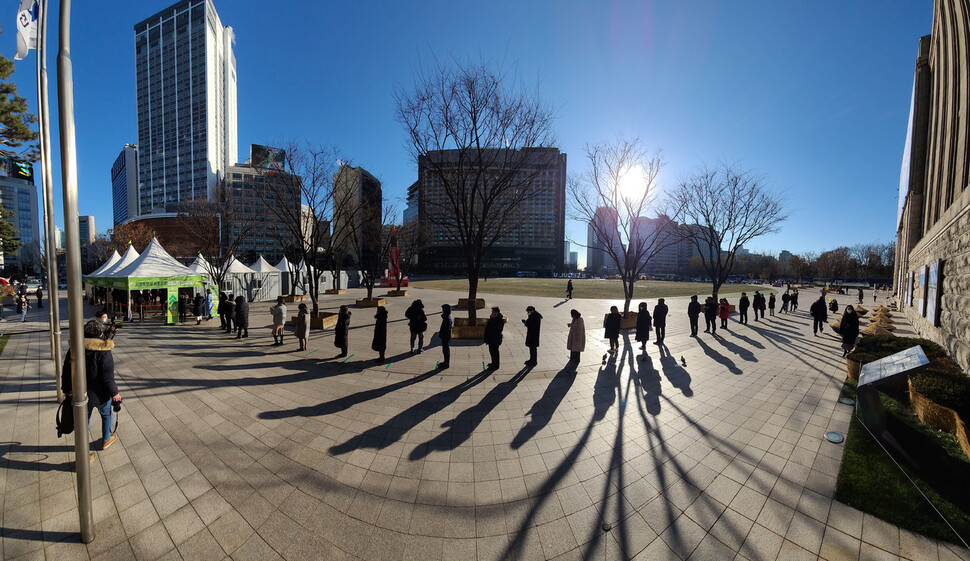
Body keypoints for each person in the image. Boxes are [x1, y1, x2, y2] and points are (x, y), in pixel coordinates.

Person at [61, 318, 121, 463]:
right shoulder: (104, 350)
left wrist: (67, 388)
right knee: (106, 414)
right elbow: (107, 377)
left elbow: (67, 369)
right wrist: (115, 393)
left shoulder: (75, 347)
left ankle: (83, 453)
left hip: (80, 392)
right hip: (100, 393)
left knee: (83, 422)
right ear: (100, 332)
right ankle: (106, 439)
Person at [438, 304, 453, 369]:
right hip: (446, 336)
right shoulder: (448, 316)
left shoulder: (447, 318)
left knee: (445, 350)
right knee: (445, 349)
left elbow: (445, 328)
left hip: (445, 336)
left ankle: (446, 363)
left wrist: (442, 335)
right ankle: (445, 361)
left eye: (443, 309)